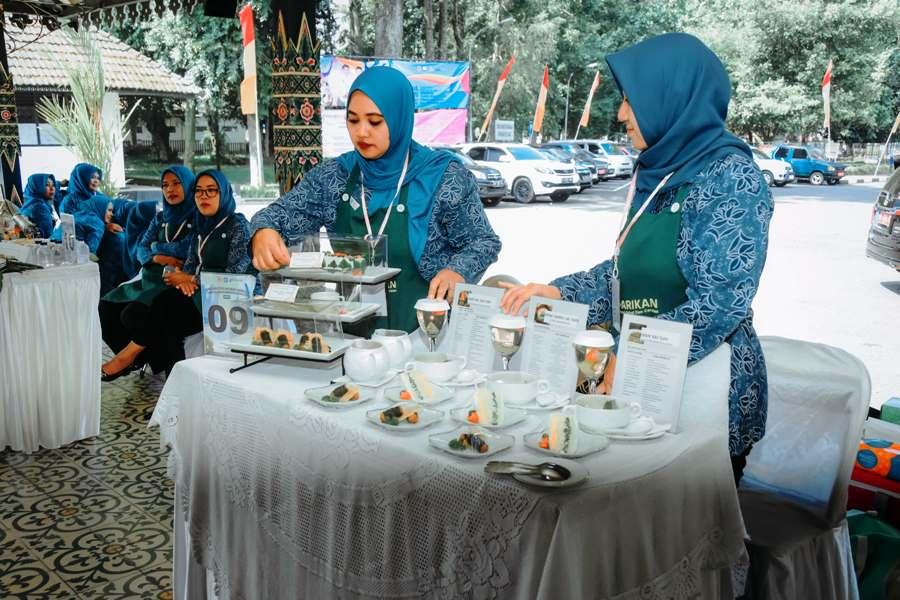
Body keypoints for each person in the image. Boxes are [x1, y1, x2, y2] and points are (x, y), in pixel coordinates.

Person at [500, 33, 774, 484]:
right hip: (640, 377)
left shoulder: (731, 177)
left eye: (631, 100)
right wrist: (558, 291)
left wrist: (628, 355)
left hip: (701, 390)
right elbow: (625, 275)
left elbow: (720, 303)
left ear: (672, 96)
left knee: (679, 536)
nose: (622, 114)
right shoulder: (659, 170)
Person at [250, 66, 501, 333]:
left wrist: (457, 271)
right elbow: (277, 215)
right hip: (355, 338)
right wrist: (263, 232)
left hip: (428, 334)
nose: (362, 133)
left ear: (399, 118)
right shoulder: (334, 177)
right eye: (353, 120)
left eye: (375, 121)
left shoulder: (443, 177)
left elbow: (483, 241)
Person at [102, 169, 255, 377]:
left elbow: (235, 275)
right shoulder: (202, 226)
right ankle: (173, 390)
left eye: (211, 191)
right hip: (198, 293)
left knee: (164, 306)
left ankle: (129, 356)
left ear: (224, 193)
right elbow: (190, 263)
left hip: (227, 298)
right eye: (199, 191)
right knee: (166, 322)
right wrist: (186, 280)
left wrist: (190, 279)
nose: (203, 196)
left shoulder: (239, 226)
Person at [98, 166, 196, 380]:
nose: (170, 189)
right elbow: (141, 249)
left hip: (173, 281)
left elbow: (187, 251)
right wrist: (157, 256)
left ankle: (148, 358)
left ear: (189, 185)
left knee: (133, 314)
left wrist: (156, 247)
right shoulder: (161, 218)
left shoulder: (197, 217)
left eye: (176, 183)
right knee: (106, 306)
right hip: (149, 277)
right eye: (165, 185)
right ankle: (136, 360)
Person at [55, 163, 155, 295]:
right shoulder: (70, 200)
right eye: (92, 177)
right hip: (85, 242)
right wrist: (104, 225)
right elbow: (70, 221)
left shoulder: (100, 196)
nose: (96, 180)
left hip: (103, 236)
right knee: (118, 241)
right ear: (82, 178)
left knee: (127, 236)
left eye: (98, 177)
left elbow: (113, 211)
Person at [18, 173, 58, 238]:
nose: (52, 188)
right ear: (37, 187)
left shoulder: (30, 203)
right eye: (47, 185)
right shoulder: (40, 208)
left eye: (53, 185)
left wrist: (60, 184)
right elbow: (49, 235)